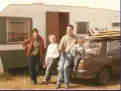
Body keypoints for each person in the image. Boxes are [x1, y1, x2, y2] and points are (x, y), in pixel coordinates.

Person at [56, 25, 78, 89]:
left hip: (70, 55)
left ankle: (66, 83)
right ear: (66, 30)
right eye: (67, 29)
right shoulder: (64, 37)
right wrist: (59, 49)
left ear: (72, 30)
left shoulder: (75, 38)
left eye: (70, 29)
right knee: (60, 68)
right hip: (63, 54)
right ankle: (58, 83)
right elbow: (60, 46)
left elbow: (79, 46)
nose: (68, 30)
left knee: (65, 68)